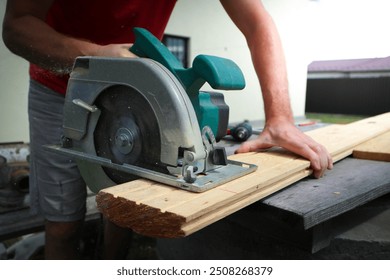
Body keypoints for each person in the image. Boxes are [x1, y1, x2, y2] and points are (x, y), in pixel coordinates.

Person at [2, 0, 333, 259]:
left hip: (138, 89)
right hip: (57, 85)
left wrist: (280, 118)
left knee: (124, 207)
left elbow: (257, 22)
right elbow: (17, 25)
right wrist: (99, 56)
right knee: (62, 225)